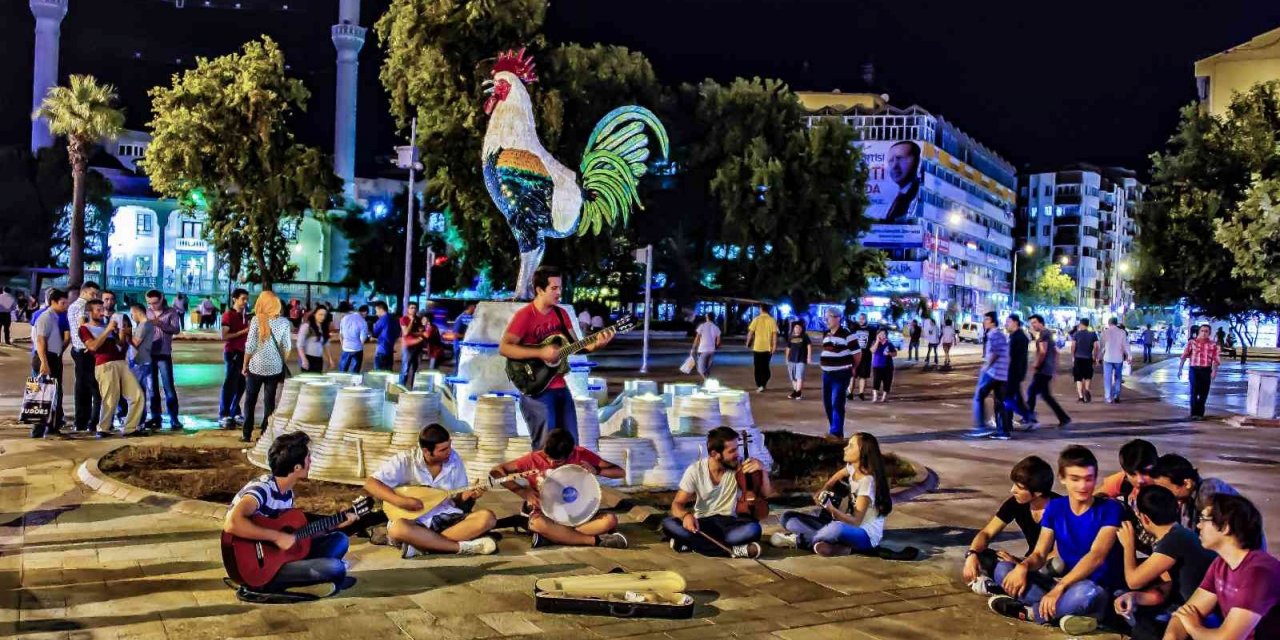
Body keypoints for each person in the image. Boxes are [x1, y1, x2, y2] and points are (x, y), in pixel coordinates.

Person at [987, 446, 1125, 636]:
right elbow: (1039, 553)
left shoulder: (1110, 509)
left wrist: (1060, 588)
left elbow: (1096, 555)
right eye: (1075, 479)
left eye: (1089, 479)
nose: (1083, 486)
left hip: (1094, 587)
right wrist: (1023, 566)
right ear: (1062, 478)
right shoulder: (1056, 507)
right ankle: (1065, 613)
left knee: (1087, 592)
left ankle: (1031, 613)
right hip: (1063, 584)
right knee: (1004, 569)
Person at [224, 432, 357, 603]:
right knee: (335, 567)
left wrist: (333, 524)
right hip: (258, 567)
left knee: (339, 540)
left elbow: (296, 535)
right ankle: (282, 585)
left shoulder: (286, 493)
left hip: (279, 558)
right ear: (297, 467)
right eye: (308, 458)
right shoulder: (262, 489)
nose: (311, 462)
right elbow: (232, 523)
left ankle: (306, 580)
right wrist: (277, 537)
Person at [499, 266, 614, 450]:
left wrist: (597, 345)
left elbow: (576, 346)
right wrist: (540, 353)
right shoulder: (525, 316)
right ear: (539, 290)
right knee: (545, 448)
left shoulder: (561, 314)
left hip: (561, 387)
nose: (559, 292)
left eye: (560, 287)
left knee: (571, 444)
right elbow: (505, 347)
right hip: (536, 389)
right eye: (554, 288)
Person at [364, 424, 498, 558]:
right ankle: (460, 547)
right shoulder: (406, 460)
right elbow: (371, 484)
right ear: (427, 451)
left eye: (449, 446)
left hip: (447, 517)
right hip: (414, 521)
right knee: (397, 529)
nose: (449, 451)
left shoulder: (454, 459)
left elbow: (458, 499)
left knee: (488, 518)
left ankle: (422, 545)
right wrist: (401, 501)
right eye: (443, 449)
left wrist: (469, 495)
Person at [1165, 493, 1280, 640]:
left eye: (1203, 519)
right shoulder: (1221, 564)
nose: (1198, 525)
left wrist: (1194, 628)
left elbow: (1227, 638)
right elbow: (1186, 613)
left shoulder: (1260, 572)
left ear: (1225, 526)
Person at [490, 428, 628, 549]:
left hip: (578, 515)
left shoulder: (581, 455)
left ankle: (552, 537)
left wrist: (597, 470)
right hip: (547, 516)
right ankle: (594, 540)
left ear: (571, 453)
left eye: (557, 461)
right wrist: (523, 492)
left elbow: (620, 472)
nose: (551, 462)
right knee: (537, 523)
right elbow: (496, 472)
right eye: (548, 457)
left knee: (610, 520)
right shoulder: (533, 459)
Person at [1113, 485, 1217, 640]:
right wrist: (1134, 597)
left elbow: (1133, 581)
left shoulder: (1173, 540)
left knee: (1144, 630)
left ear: (1144, 518)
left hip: (1204, 615)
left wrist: (1129, 545)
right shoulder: (1179, 534)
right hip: (1192, 608)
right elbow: (1165, 587)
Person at [774, 432, 891, 556]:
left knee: (835, 529)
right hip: (843, 525)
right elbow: (839, 475)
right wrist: (824, 489)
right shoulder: (853, 468)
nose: (845, 448)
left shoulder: (867, 482)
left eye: (851, 446)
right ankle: (838, 547)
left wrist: (831, 509)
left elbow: (856, 522)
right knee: (787, 517)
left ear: (862, 453)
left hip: (864, 535)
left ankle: (798, 540)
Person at [662, 426, 768, 558]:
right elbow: (677, 504)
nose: (737, 454)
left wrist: (763, 470)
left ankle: (689, 544)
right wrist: (686, 516)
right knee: (668, 523)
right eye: (732, 451)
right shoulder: (695, 470)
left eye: (737, 449)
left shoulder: (741, 467)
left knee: (754, 529)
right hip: (703, 523)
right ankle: (734, 550)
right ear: (714, 454)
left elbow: (766, 494)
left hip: (731, 523)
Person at [962, 456, 1061, 595]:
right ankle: (1008, 587)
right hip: (1027, 562)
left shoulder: (1061, 508)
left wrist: (1021, 563)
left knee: (1056, 565)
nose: (1012, 490)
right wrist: (972, 554)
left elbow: (1059, 554)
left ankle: (1003, 588)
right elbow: (987, 533)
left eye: (1019, 487)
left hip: (1048, 565)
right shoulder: (1016, 503)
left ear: (1038, 492)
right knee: (981, 555)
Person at [78, 300, 146, 437]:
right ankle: (103, 429)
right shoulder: (84, 328)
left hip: (121, 363)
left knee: (137, 395)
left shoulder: (106, 326)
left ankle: (130, 428)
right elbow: (93, 346)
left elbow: (120, 345)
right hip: (105, 365)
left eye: (102, 309)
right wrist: (108, 330)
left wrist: (123, 332)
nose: (102, 312)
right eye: (98, 310)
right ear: (89, 312)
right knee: (110, 398)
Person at [1147, 454, 1247, 535]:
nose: (1162, 494)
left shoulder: (1209, 492)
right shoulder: (1186, 499)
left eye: (1165, 490)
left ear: (1187, 483)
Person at [241, 291, 293, 443]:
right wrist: (281, 361)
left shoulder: (257, 320)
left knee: (250, 401)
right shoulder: (284, 322)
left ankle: (246, 434)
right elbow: (287, 346)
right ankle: (265, 434)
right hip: (275, 368)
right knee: (269, 402)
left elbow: (250, 346)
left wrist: (245, 365)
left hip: (256, 367)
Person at [29, 289, 71, 438]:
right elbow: (40, 341)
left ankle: (51, 428)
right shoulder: (45, 317)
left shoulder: (54, 317)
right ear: (53, 302)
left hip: (52, 357)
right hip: (45, 358)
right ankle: (39, 430)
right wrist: (44, 362)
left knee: (53, 394)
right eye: (63, 303)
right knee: (42, 394)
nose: (65, 306)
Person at [965, 311, 1011, 440]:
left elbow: (995, 353)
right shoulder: (1001, 335)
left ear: (992, 322)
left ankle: (981, 427)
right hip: (1002, 374)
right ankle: (1003, 432)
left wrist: (986, 367)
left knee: (978, 397)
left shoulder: (993, 334)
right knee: (999, 402)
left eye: (986, 320)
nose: (984, 322)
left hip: (993, 373)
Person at [1024, 314, 1071, 429]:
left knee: (1032, 392)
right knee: (1045, 395)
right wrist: (1054, 369)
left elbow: (1043, 352)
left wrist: (1036, 364)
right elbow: (1056, 352)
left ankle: (1029, 418)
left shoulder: (1044, 334)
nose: (1033, 325)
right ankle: (1063, 417)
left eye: (1034, 323)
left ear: (1041, 323)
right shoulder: (1047, 334)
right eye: (1031, 323)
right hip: (1047, 369)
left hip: (1043, 370)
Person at [145, 290, 183, 431]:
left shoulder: (171, 312)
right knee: (152, 388)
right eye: (149, 303)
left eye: (155, 302)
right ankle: (156, 417)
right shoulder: (147, 312)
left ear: (161, 299)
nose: (152, 306)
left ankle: (174, 418)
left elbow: (176, 329)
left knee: (169, 388)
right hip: (149, 354)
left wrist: (160, 324)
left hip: (164, 354)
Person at [68, 281, 102, 433]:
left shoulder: (72, 306)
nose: (94, 297)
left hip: (78, 349)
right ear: (84, 292)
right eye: (92, 294)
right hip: (85, 350)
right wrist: (90, 342)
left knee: (83, 386)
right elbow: (83, 326)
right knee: (88, 387)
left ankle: (82, 420)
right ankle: (84, 421)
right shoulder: (82, 306)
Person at [818, 308, 855, 441]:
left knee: (837, 402)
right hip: (827, 374)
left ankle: (836, 432)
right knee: (827, 403)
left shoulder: (847, 334)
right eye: (825, 317)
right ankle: (835, 429)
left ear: (837, 318)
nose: (826, 320)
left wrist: (853, 368)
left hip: (841, 373)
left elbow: (857, 354)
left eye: (828, 317)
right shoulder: (826, 334)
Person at [217, 289, 250, 430]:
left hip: (243, 353)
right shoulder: (228, 315)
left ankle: (235, 411)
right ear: (234, 299)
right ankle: (224, 414)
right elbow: (224, 336)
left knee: (241, 385)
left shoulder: (245, 316)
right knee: (230, 385)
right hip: (232, 353)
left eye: (247, 299)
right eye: (243, 299)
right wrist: (244, 331)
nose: (245, 302)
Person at [1178, 324, 1221, 421]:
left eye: (1206, 331)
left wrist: (1214, 371)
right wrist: (1180, 369)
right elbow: (1184, 356)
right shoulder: (1192, 342)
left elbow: (1215, 359)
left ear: (1209, 333)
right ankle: (1193, 413)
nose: (1204, 333)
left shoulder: (1213, 345)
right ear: (1199, 332)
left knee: (1204, 392)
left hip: (1206, 370)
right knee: (1194, 391)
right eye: (1202, 331)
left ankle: (1200, 414)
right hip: (1194, 369)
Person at [126, 302, 155, 430]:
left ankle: (138, 420)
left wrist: (126, 334)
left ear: (137, 312)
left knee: (138, 392)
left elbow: (135, 343)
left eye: (132, 314)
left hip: (140, 362)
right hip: (144, 360)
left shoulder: (144, 325)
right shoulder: (146, 324)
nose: (132, 317)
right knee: (141, 391)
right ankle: (140, 420)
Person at [883, 140, 922, 223]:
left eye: (900, 158)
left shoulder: (919, 191)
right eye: (891, 161)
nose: (894, 166)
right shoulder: (899, 195)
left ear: (917, 161)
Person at [1004, 314, 1033, 426]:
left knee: (1007, 398)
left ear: (1015, 322)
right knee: (1014, 397)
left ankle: (1028, 417)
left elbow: (1011, 356)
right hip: (1017, 371)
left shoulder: (1018, 337)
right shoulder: (1018, 336)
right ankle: (1008, 422)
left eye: (1009, 322)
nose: (1007, 324)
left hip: (1014, 371)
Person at [745, 303, 779, 393]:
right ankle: (763, 383)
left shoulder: (756, 319)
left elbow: (750, 332)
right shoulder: (772, 320)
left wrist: (748, 342)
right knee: (765, 366)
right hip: (768, 347)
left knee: (758, 367)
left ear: (761, 309)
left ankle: (760, 384)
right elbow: (774, 334)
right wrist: (774, 345)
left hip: (757, 347)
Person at [1099, 317, 1130, 404]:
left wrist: (1099, 357)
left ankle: (1108, 397)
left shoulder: (1104, 333)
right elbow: (1125, 345)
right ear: (1117, 323)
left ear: (1109, 323)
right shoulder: (1122, 332)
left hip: (1107, 358)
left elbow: (1102, 347)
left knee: (1107, 377)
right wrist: (1129, 356)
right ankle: (1117, 395)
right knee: (1118, 377)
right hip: (1118, 358)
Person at [1069, 319, 1100, 403]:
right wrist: (1095, 357)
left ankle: (1081, 396)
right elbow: (1096, 347)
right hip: (1088, 358)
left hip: (1078, 358)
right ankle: (1087, 389)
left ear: (1081, 324)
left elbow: (1073, 346)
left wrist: (1073, 356)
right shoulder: (1093, 334)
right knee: (1088, 376)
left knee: (1078, 378)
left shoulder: (1076, 334)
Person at [297, 308, 333, 373]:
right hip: (307, 357)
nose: (322, 317)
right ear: (314, 314)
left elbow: (326, 344)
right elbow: (299, 344)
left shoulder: (324, 328)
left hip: (319, 359)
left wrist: (330, 359)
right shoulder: (307, 326)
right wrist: (304, 359)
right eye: (320, 314)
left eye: (324, 315)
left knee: (318, 377)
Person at [848, 313, 874, 401]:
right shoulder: (854, 328)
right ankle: (850, 393)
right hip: (854, 355)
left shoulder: (871, 329)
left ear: (866, 319)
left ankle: (861, 393)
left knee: (863, 376)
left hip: (866, 356)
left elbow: (874, 340)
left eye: (863, 318)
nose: (861, 320)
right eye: (860, 318)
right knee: (852, 375)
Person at [339, 305, 370, 373]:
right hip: (357, 350)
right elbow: (362, 339)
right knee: (355, 373)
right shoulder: (363, 322)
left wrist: (343, 345)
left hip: (345, 348)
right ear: (365, 312)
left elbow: (341, 335)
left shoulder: (344, 318)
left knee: (342, 371)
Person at [784, 320, 811, 400]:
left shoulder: (805, 336)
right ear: (793, 328)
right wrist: (786, 358)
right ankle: (795, 391)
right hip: (791, 360)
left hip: (801, 359)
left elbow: (809, 346)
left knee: (799, 376)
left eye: (799, 328)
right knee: (793, 377)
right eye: (796, 327)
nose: (797, 329)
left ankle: (798, 392)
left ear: (802, 329)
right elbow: (788, 348)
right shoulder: (790, 337)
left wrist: (809, 357)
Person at [398, 303, 423, 387]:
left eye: (415, 308)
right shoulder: (403, 319)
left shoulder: (419, 319)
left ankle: (413, 387)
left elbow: (422, 332)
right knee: (405, 368)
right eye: (411, 308)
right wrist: (411, 321)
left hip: (417, 346)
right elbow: (405, 332)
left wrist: (414, 333)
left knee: (415, 368)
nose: (413, 310)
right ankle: (402, 387)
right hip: (408, 346)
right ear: (408, 309)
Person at [869, 329, 898, 403]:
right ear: (877, 335)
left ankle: (884, 397)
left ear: (886, 335)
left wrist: (889, 354)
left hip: (888, 366)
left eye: (884, 334)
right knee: (876, 381)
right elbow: (872, 350)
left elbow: (895, 353)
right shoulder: (875, 342)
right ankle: (875, 397)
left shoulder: (889, 344)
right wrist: (877, 341)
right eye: (880, 334)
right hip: (877, 365)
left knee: (887, 382)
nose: (882, 335)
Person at [691, 312, 721, 380]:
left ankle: (707, 382)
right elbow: (718, 342)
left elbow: (697, 338)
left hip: (703, 350)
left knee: (700, 369)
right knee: (707, 369)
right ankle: (707, 381)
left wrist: (693, 348)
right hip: (712, 350)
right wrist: (715, 348)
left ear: (707, 317)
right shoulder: (716, 327)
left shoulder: (702, 326)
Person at [371, 302, 399, 371]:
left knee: (379, 373)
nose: (376, 313)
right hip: (390, 349)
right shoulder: (394, 318)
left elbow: (374, 334)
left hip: (382, 349)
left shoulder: (382, 320)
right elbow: (397, 333)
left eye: (376, 311)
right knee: (388, 372)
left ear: (380, 309)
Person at [451, 304, 475, 373]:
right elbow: (455, 334)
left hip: (465, 347)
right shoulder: (460, 318)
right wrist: (468, 336)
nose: (475, 309)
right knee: (459, 366)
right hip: (459, 346)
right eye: (474, 307)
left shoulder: (470, 318)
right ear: (470, 307)